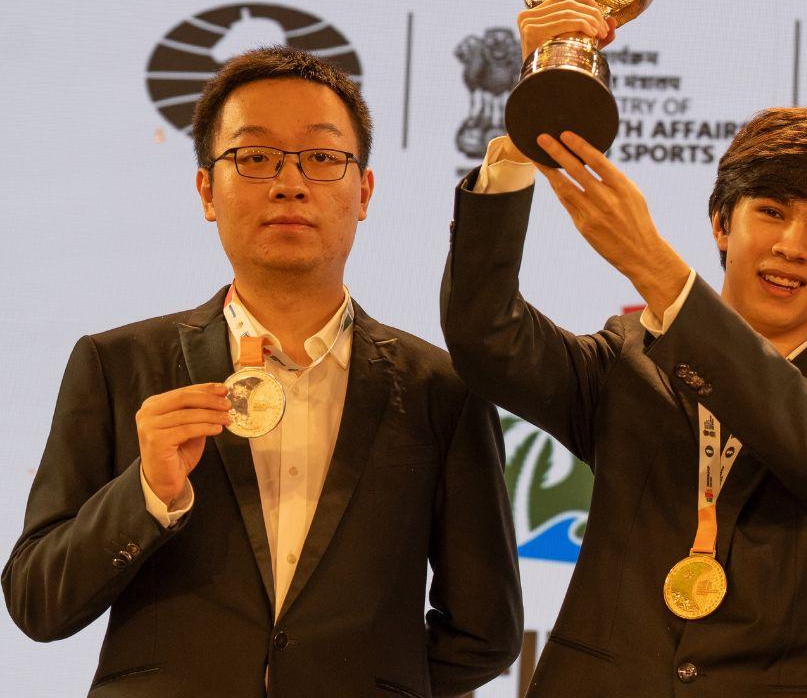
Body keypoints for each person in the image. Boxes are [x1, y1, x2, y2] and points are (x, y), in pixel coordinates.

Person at [441, 0, 807, 697]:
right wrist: (527, 140)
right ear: (721, 224)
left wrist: (659, 271)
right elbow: (485, 336)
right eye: (770, 211)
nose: (791, 246)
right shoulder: (626, 361)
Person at [4, 47, 523, 697]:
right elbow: (36, 601)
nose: (289, 183)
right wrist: (148, 495)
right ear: (206, 191)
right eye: (254, 157)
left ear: (363, 192)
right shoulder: (116, 365)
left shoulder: (441, 389)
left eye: (322, 157)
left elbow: (487, 631)